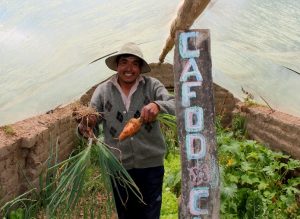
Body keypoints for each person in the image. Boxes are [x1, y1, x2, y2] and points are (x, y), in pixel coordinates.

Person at [78, 42, 175, 219]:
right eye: (124, 62)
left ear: (140, 67)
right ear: (117, 65)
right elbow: (90, 119)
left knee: (150, 213)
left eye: (135, 63)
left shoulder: (152, 86)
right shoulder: (103, 91)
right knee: (125, 213)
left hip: (151, 166)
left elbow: (174, 105)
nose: (129, 68)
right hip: (118, 167)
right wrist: (86, 124)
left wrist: (157, 105)